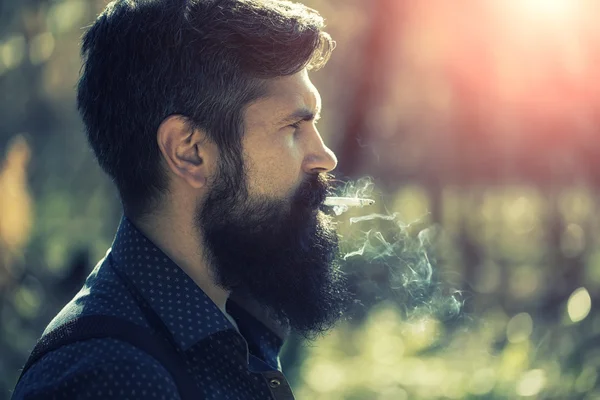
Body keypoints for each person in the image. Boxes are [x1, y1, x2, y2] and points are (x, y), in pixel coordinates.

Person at [11, 0, 353, 398]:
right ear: (189, 151)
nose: (325, 157)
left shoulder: (229, 328)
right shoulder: (114, 378)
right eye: (294, 126)